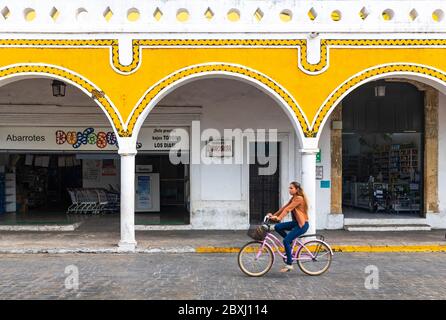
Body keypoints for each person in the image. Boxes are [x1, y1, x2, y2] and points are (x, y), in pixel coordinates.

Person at [267, 181, 309, 273]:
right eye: (289, 188)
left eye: (291, 188)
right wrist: (273, 216)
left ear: (297, 189)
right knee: (278, 227)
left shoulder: (299, 198)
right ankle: (289, 243)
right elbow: (284, 208)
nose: (289, 190)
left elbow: (288, 209)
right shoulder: (293, 198)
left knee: (285, 241)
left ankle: (289, 264)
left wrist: (279, 217)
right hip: (296, 223)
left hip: (302, 225)